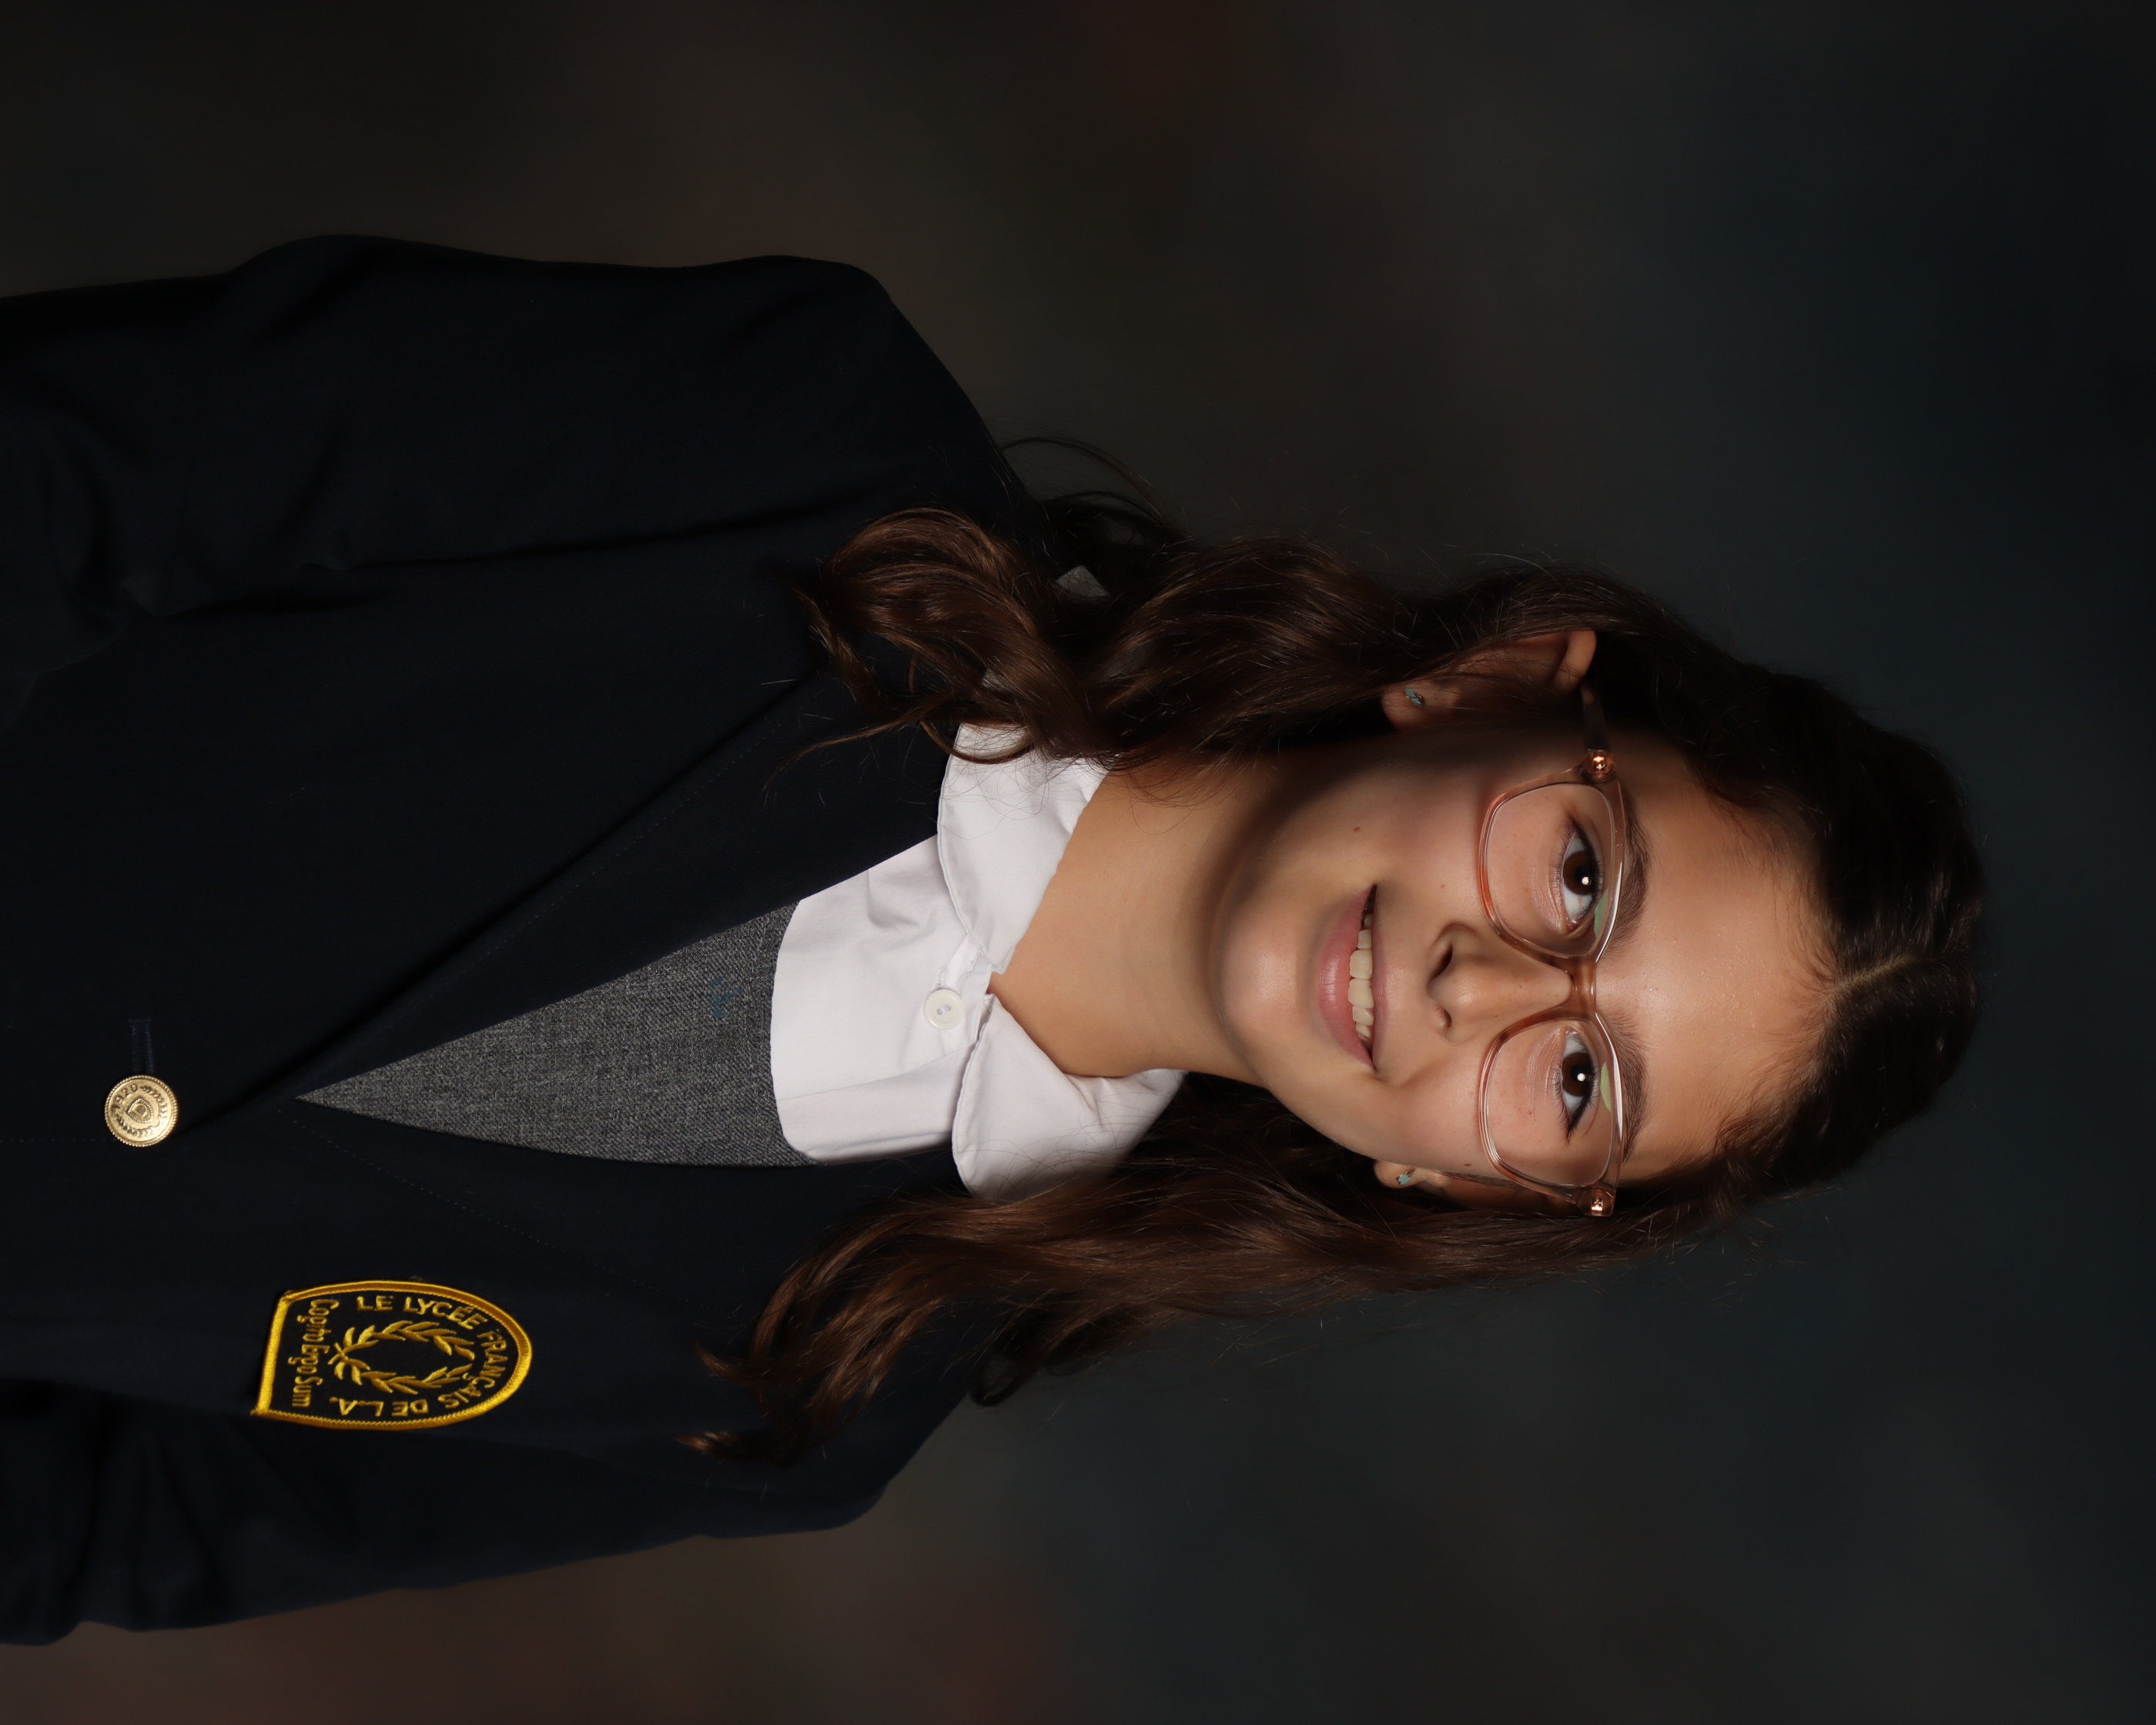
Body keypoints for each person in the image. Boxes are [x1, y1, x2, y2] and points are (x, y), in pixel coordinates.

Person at [0, 236, 1981, 1641]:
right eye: (1581, 878)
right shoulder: (807, 442)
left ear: (1474, 1183)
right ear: (1489, 685)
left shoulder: (820, 1394)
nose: (1488, 988)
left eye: (1579, 1081)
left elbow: (117, 1520)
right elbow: (68, 463)